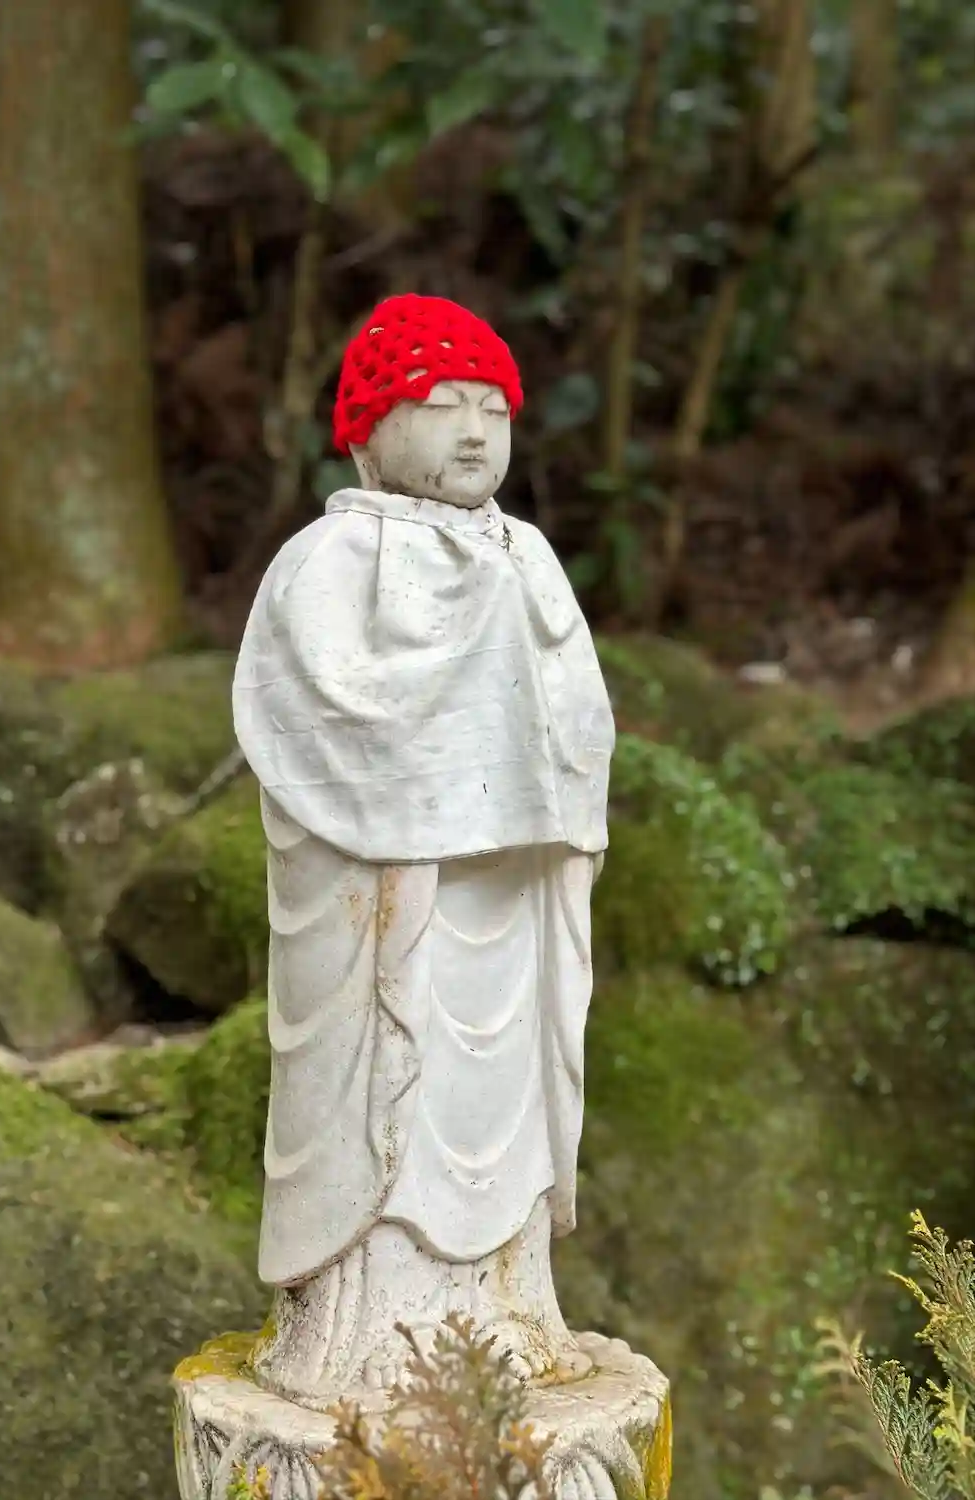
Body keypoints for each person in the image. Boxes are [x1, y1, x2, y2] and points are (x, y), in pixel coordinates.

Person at [232, 293, 616, 1410]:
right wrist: (440, 776)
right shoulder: (329, 561)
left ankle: (509, 1318)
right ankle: (364, 1334)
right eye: (443, 404)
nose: (475, 432)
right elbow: (318, 727)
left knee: (498, 1101)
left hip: (509, 898)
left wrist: (528, 781)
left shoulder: (525, 555)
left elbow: (577, 720)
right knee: (382, 1113)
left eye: (494, 409)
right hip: (389, 900)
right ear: (368, 428)